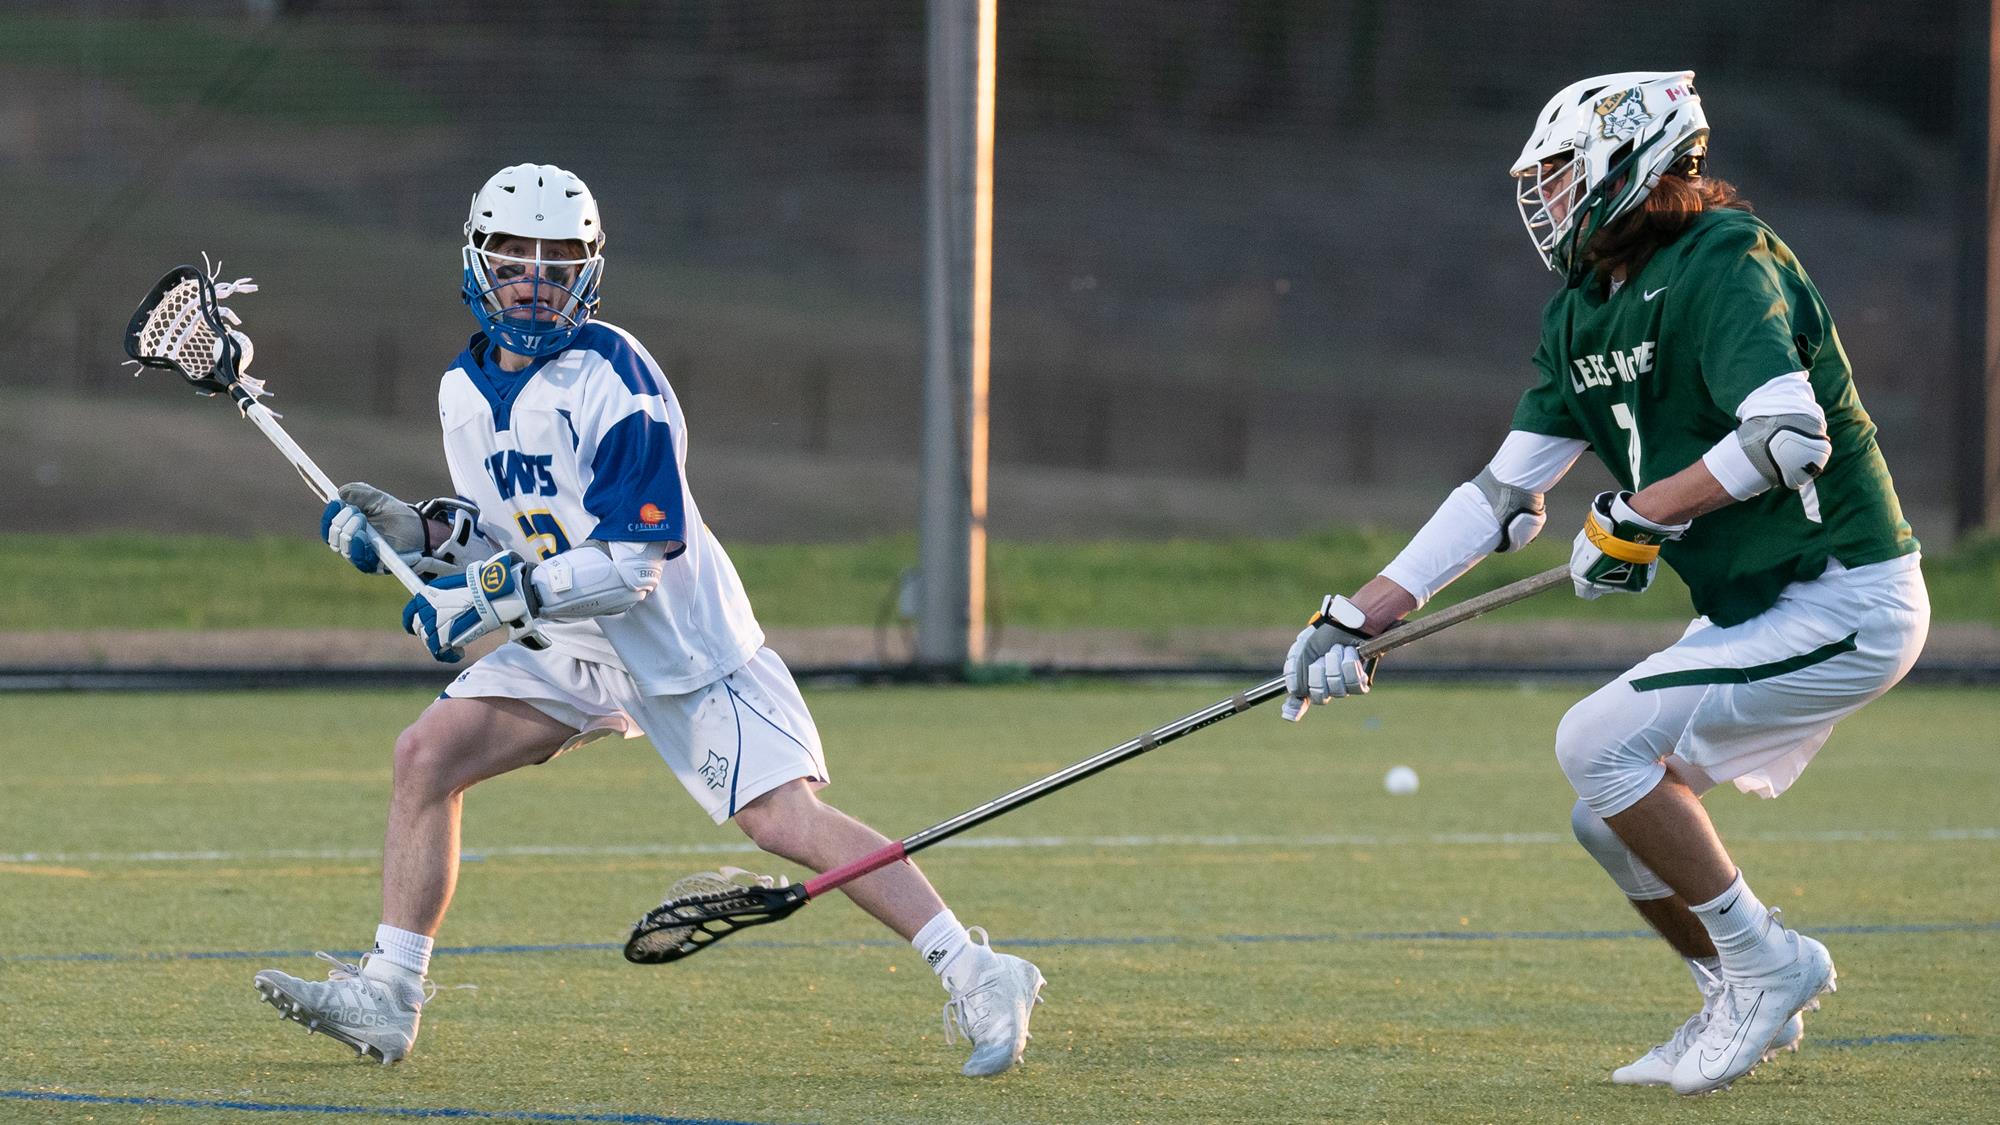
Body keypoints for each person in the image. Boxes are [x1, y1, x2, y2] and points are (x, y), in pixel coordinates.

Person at [252, 163, 1044, 1076]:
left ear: (589, 271)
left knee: (786, 822)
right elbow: (511, 536)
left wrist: (483, 599)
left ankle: (980, 969)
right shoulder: (460, 391)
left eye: (559, 263)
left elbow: (632, 562)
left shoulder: (613, 374)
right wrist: (422, 535)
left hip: (683, 648)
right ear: (478, 262)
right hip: (570, 648)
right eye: (517, 260)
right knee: (425, 756)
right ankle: (389, 996)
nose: (536, 282)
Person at [1281, 71, 1926, 1096]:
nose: (1538, 202)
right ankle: (1733, 984)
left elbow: (1786, 435)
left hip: (1845, 595)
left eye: (1552, 177)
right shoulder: (1581, 309)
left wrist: (1638, 512)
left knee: (1591, 742)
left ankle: (1763, 966)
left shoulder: (1724, 259)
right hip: (1756, 609)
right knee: (1604, 808)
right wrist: (1357, 615)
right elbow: (1497, 495)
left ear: (1628, 159)